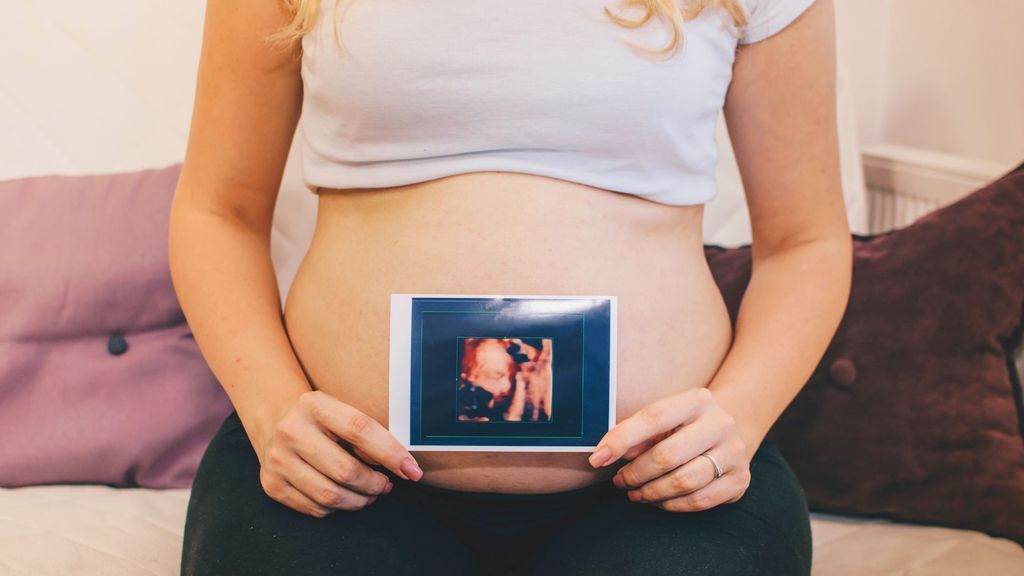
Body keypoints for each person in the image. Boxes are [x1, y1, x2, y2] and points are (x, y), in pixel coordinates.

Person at [170, 0, 851, 573]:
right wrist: (271, 410)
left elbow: (806, 242)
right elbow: (217, 212)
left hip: (662, 482)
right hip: (339, 474)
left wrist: (740, 416)